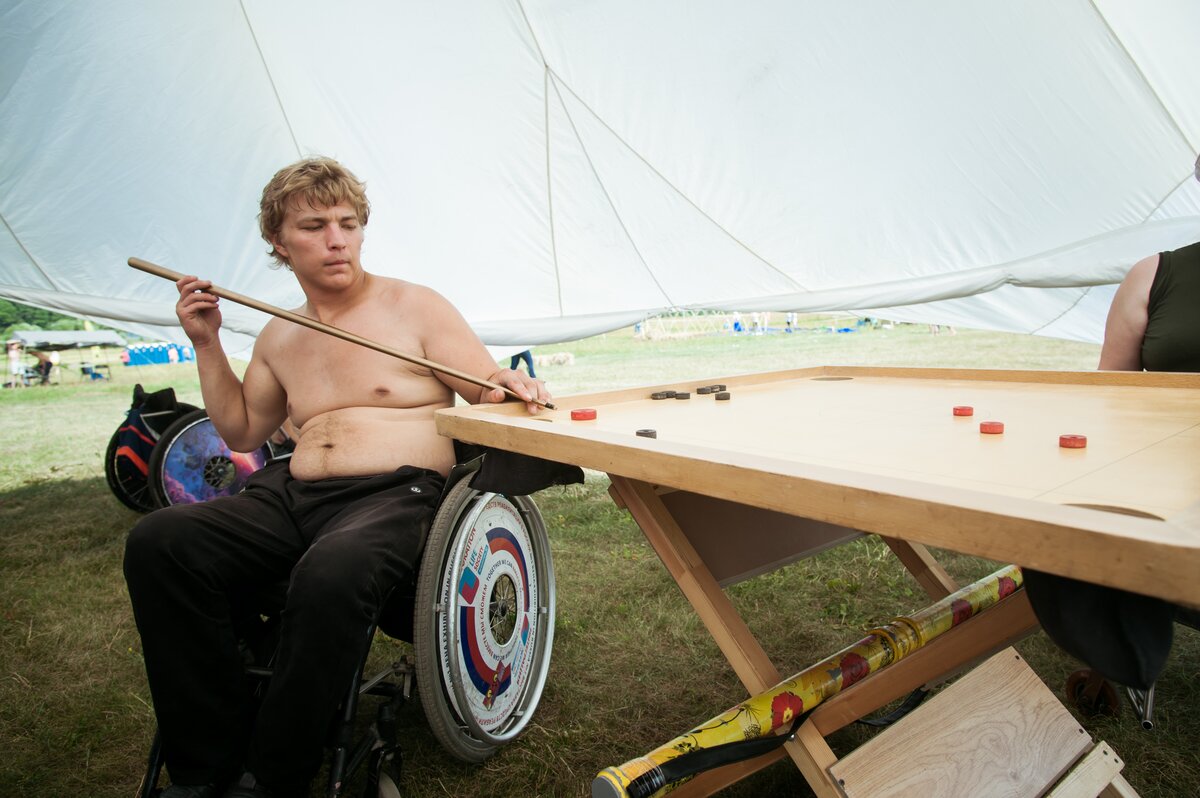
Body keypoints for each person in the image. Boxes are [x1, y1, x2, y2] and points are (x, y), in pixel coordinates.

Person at [123, 157, 549, 798]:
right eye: (314, 226)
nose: (336, 240)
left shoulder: (414, 307)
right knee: (160, 542)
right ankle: (205, 765)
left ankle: (274, 777)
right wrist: (206, 343)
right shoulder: (279, 335)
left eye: (348, 224)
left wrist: (508, 385)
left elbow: (486, 388)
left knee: (332, 571)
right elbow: (242, 431)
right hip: (290, 494)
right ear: (279, 241)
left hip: (392, 494)